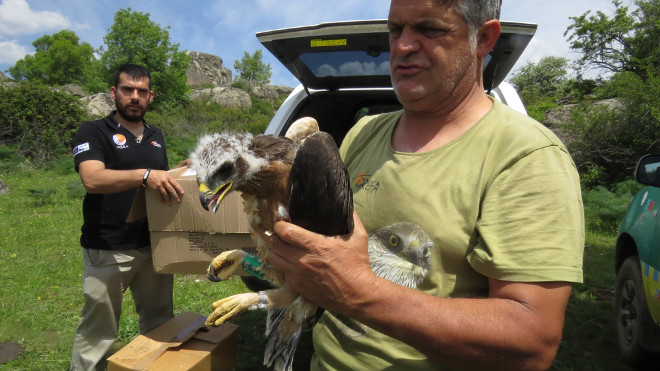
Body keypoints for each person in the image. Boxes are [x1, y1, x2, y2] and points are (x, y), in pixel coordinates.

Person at [265, 0, 585, 370]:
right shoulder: (364, 133)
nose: (402, 46)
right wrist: (198, 174)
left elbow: (532, 342)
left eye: (430, 29)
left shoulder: (527, 156)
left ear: (484, 38)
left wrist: (358, 291)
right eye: (395, 30)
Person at [70, 63, 185, 371]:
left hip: (153, 246)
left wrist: (182, 170)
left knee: (160, 323)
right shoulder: (93, 131)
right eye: (128, 90)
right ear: (114, 93)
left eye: (142, 91)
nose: (135, 97)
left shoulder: (156, 135)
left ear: (151, 96)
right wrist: (145, 175)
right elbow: (92, 180)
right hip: (108, 249)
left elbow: (157, 181)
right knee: (98, 333)